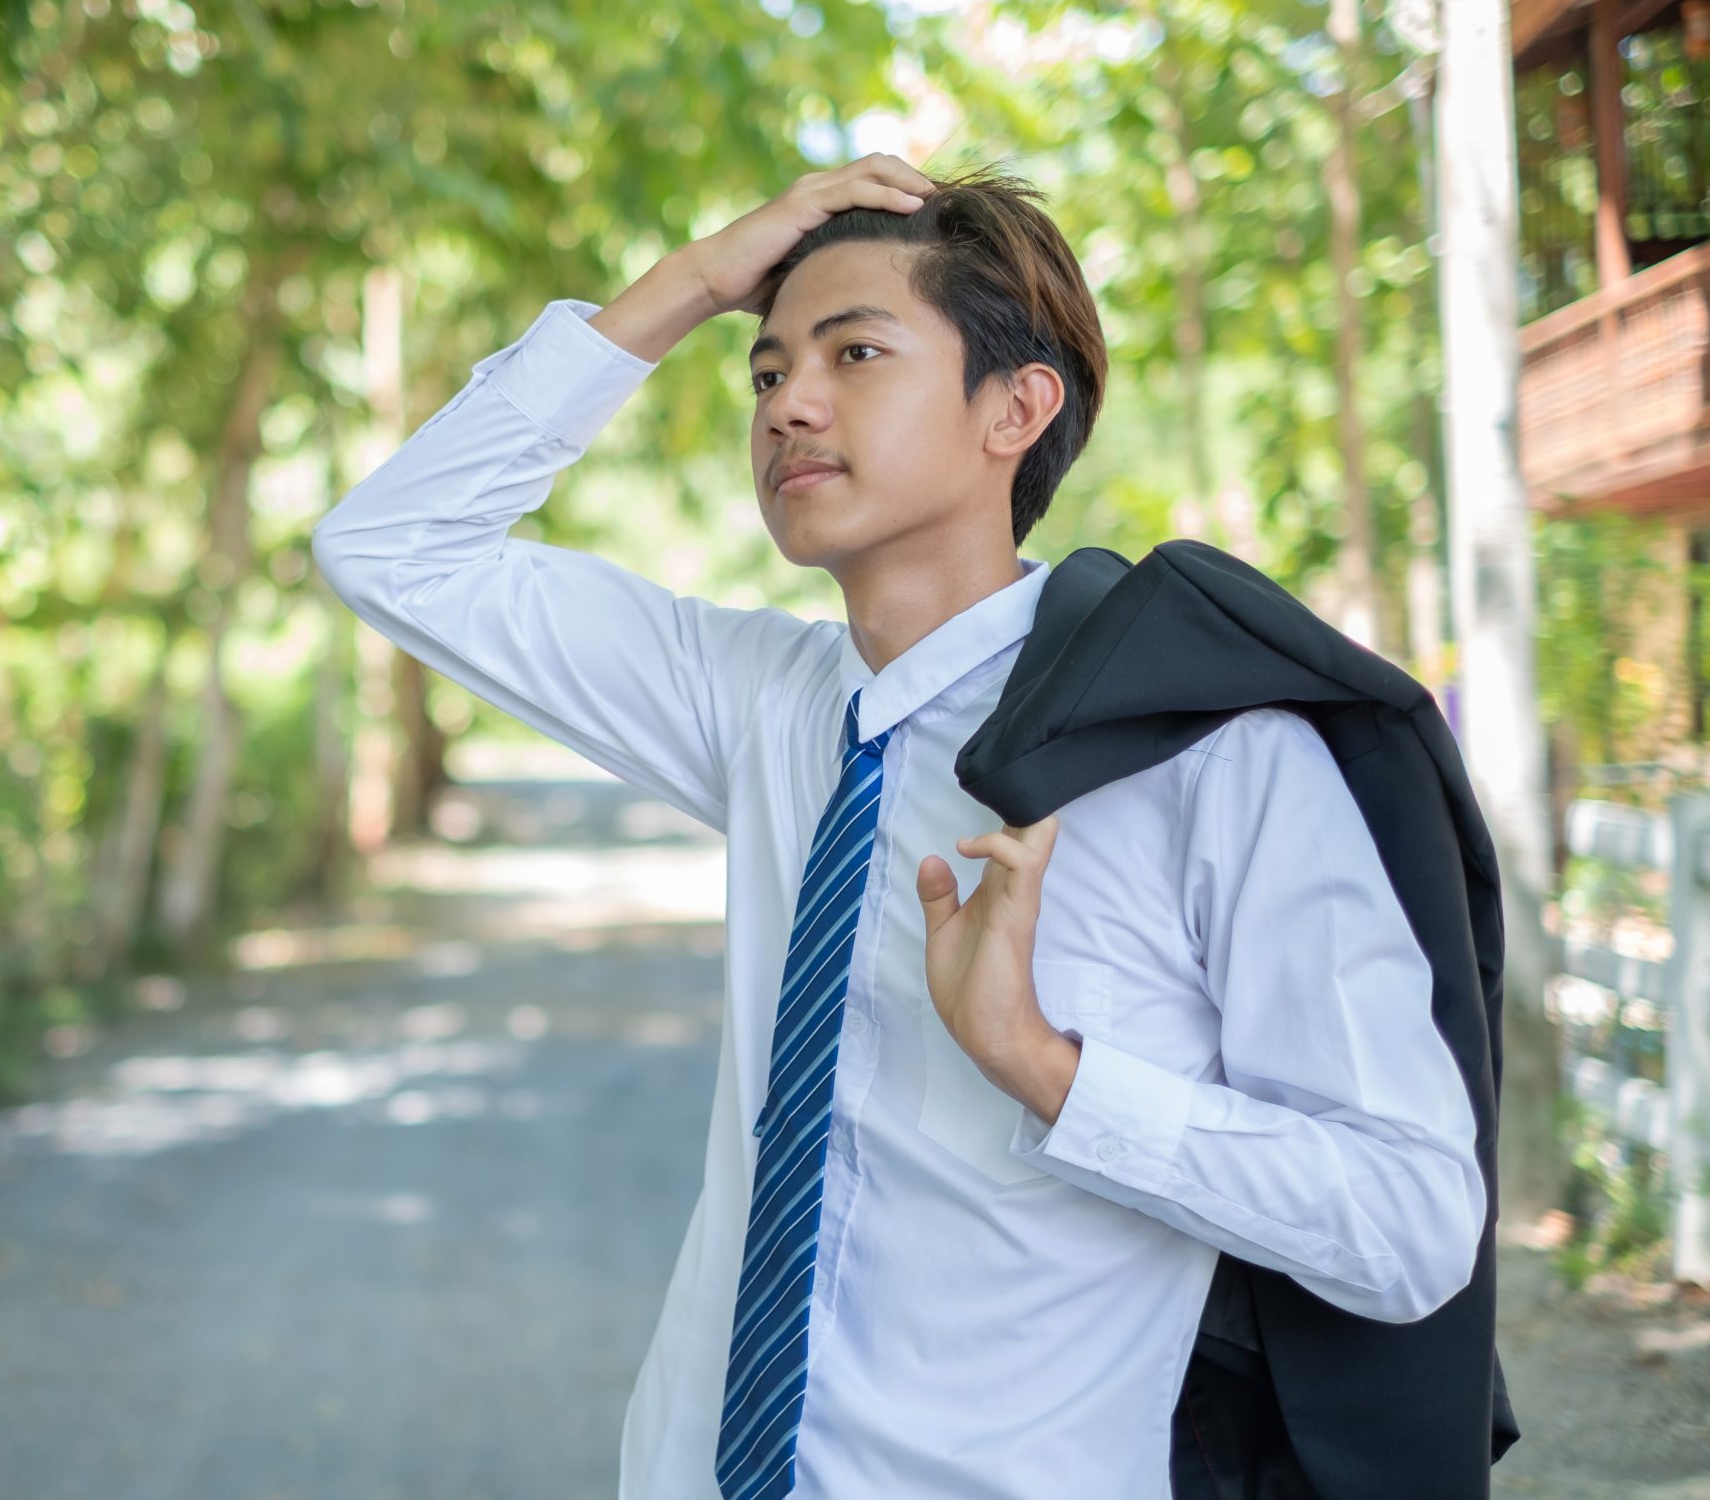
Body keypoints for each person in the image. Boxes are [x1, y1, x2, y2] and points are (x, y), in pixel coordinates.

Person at [309, 158, 1485, 1499]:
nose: (789, 404)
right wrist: (690, 283)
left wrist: (1047, 1069)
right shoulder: (764, 703)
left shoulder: (1209, 760)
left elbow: (1411, 1226)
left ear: (1015, 409)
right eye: (765, 372)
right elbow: (391, 548)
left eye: (855, 353)